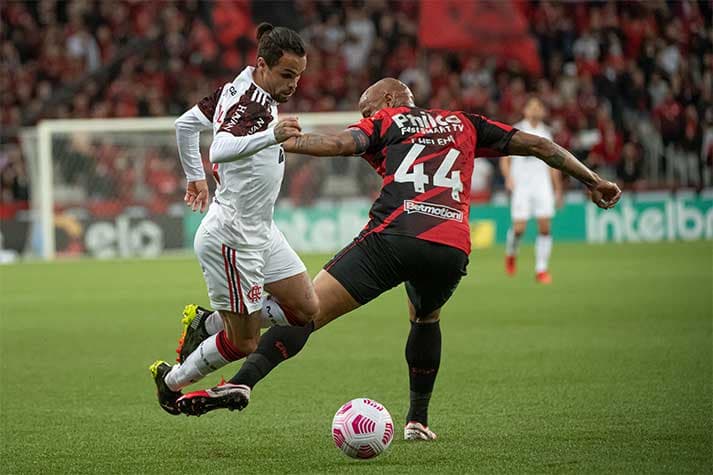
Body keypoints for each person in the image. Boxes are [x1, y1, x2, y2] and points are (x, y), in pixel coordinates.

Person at [175, 79, 622, 441]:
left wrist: (273, 142)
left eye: (367, 108)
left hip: (393, 237)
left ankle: (241, 381)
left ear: (389, 100)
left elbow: (335, 144)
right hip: (449, 248)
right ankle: (418, 421)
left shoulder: (386, 120)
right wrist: (593, 180)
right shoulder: (464, 122)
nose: (365, 118)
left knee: (307, 310)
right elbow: (540, 145)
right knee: (426, 318)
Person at [149, 23, 320, 416]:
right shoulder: (253, 106)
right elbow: (222, 148)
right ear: (262, 65)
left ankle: (206, 325)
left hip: (262, 230)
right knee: (242, 342)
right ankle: (171, 381)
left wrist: (194, 175)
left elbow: (186, 124)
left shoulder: (238, 88)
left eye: (298, 76)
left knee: (305, 309)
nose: (294, 84)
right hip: (232, 237)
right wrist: (271, 136)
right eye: (287, 74)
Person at [500, 97, 563, 283]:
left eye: (538, 107)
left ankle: (541, 269)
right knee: (519, 229)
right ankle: (511, 253)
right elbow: (505, 157)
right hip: (522, 186)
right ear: (525, 111)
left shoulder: (546, 133)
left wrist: (557, 188)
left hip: (542, 186)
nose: (535, 110)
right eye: (532, 107)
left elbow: (553, 164)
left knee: (545, 228)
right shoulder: (516, 130)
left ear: (543, 112)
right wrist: (508, 178)